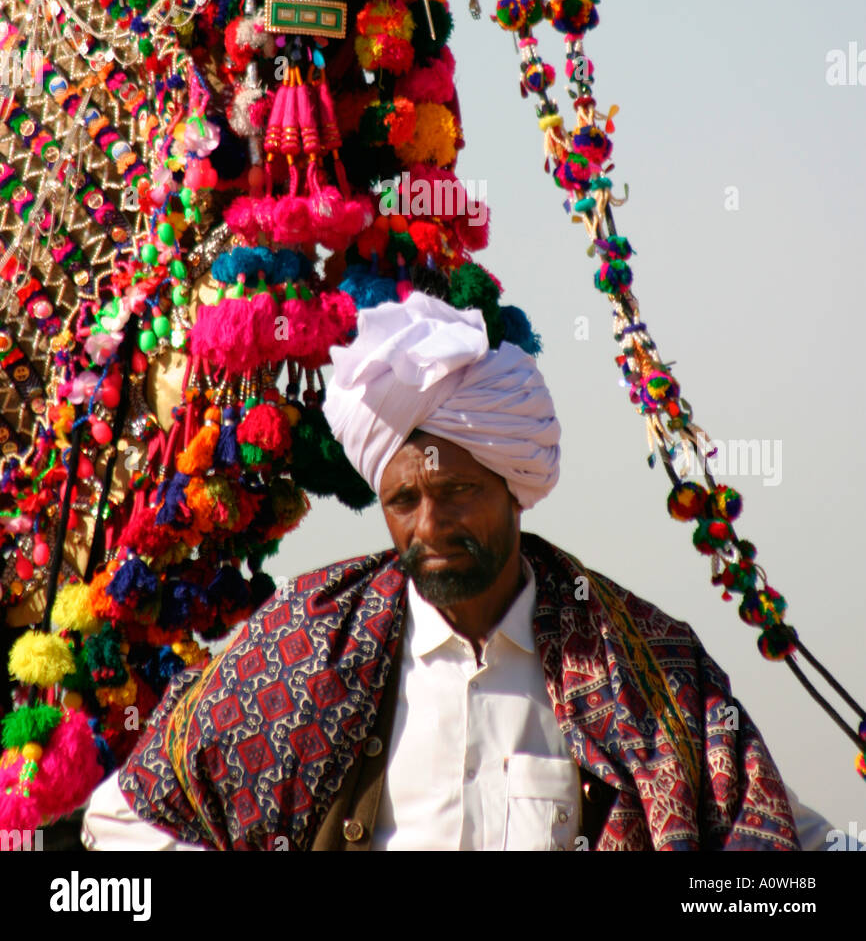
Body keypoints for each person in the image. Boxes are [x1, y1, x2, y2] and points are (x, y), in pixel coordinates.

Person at [83, 293, 829, 851]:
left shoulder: (642, 666)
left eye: (458, 493)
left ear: (514, 487)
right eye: (404, 500)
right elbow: (122, 818)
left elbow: (793, 844)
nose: (430, 527)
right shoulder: (304, 646)